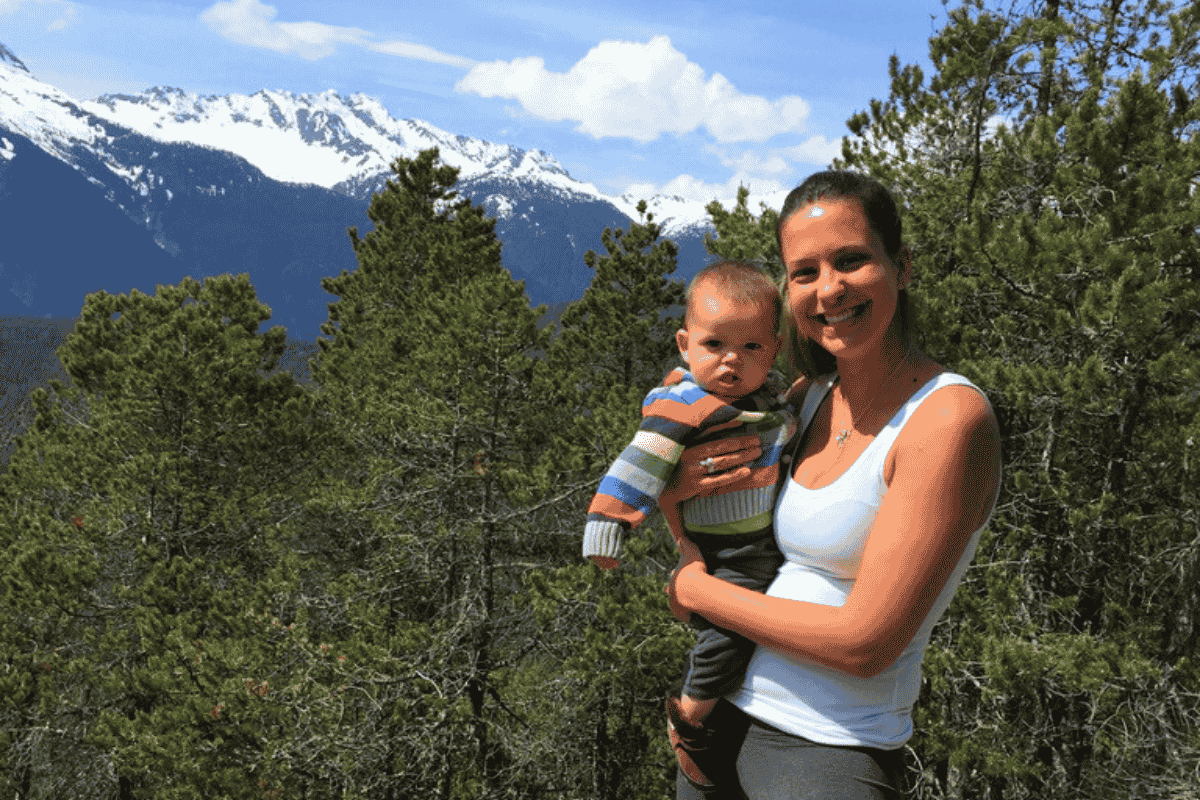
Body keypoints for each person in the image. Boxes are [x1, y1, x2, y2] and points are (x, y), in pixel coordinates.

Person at [663, 171, 1002, 799]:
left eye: (850, 260)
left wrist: (697, 590)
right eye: (805, 272)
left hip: (826, 749)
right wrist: (677, 495)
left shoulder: (946, 419)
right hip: (719, 725)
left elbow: (864, 644)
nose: (829, 289)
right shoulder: (807, 399)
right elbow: (709, 505)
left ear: (902, 266)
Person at [583, 260, 799, 785]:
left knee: (747, 632)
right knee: (728, 636)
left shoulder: (765, 395)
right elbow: (639, 463)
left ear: (773, 350)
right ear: (685, 345)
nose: (731, 360)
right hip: (725, 549)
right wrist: (609, 525)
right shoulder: (683, 405)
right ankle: (690, 716)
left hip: (758, 540)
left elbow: (783, 426)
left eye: (751, 347)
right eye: (714, 345)